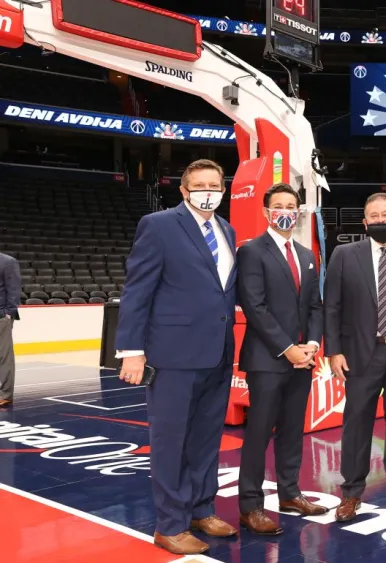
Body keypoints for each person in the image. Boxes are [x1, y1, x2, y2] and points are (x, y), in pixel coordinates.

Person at [116, 159, 238, 555]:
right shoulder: (160, 225)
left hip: (217, 354)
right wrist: (132, 351)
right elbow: (137, 291)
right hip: (173, 357)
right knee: (170, 442)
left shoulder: (228, 230)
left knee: (205, 441)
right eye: (199, 184)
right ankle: (169, 525)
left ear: (223, 189)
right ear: (184, 191)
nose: (208, 190)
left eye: (214, 184)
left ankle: (201, 509)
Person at [325, 193, 386, 522]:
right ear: (364, 222)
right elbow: (333, 306)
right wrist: (334, 350)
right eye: (374, 215)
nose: (381, 219)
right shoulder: (344, 254)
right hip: (360, 353)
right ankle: (352, 491)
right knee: (357, 424)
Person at [235, 183, 328, 535]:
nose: (285, 210)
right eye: (279, 205)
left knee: (292, 431)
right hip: (268, 360)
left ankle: (290, 494)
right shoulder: (252, 252)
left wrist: (314, 344)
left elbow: (315, 307)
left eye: (292, 205)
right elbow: (254, 307)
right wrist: (288, 348)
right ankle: (250, 506)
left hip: (303, 360)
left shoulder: (307, 254)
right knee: (259, 434)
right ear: (266, 211)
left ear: (299, 210)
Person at [0, 252, 20, 409]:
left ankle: (5, 396)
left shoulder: (8, 262)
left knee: (4, 357)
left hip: (2, 317)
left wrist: (8, 314)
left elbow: (14, 290)